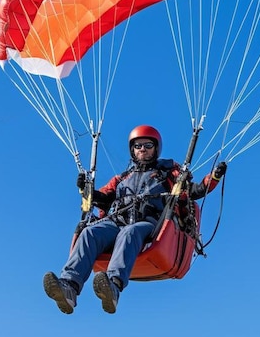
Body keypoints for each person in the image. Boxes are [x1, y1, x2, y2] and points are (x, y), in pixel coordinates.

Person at [43, 125, 227, 314]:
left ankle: (112, 287)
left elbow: (194, 191)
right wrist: (87, 190)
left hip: (149, 224)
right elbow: (105, 198)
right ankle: (68, 287)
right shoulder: (122, 178)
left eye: (148, 145)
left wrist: (214, 177)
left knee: (129, 232)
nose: (143, 149)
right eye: (138, 146)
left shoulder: (169, 173)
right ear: (132, 150)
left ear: (156, 148)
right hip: (118, 221)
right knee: (90, 232)